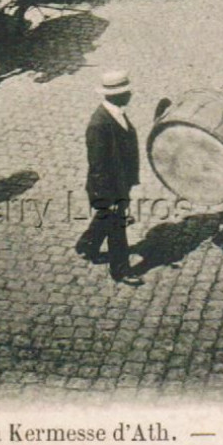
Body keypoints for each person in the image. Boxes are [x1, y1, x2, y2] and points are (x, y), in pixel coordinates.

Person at [76, 70, 143, 287]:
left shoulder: (116, 113)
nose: (131, 95)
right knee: (117, 227)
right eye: (126, 92)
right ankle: (120, 270)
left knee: (107, 219)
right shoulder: (99, 125)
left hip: (120, 182)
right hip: (109, 188)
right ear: (116, 95)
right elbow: (98, 166)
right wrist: (107, 198)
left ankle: (87, 245)